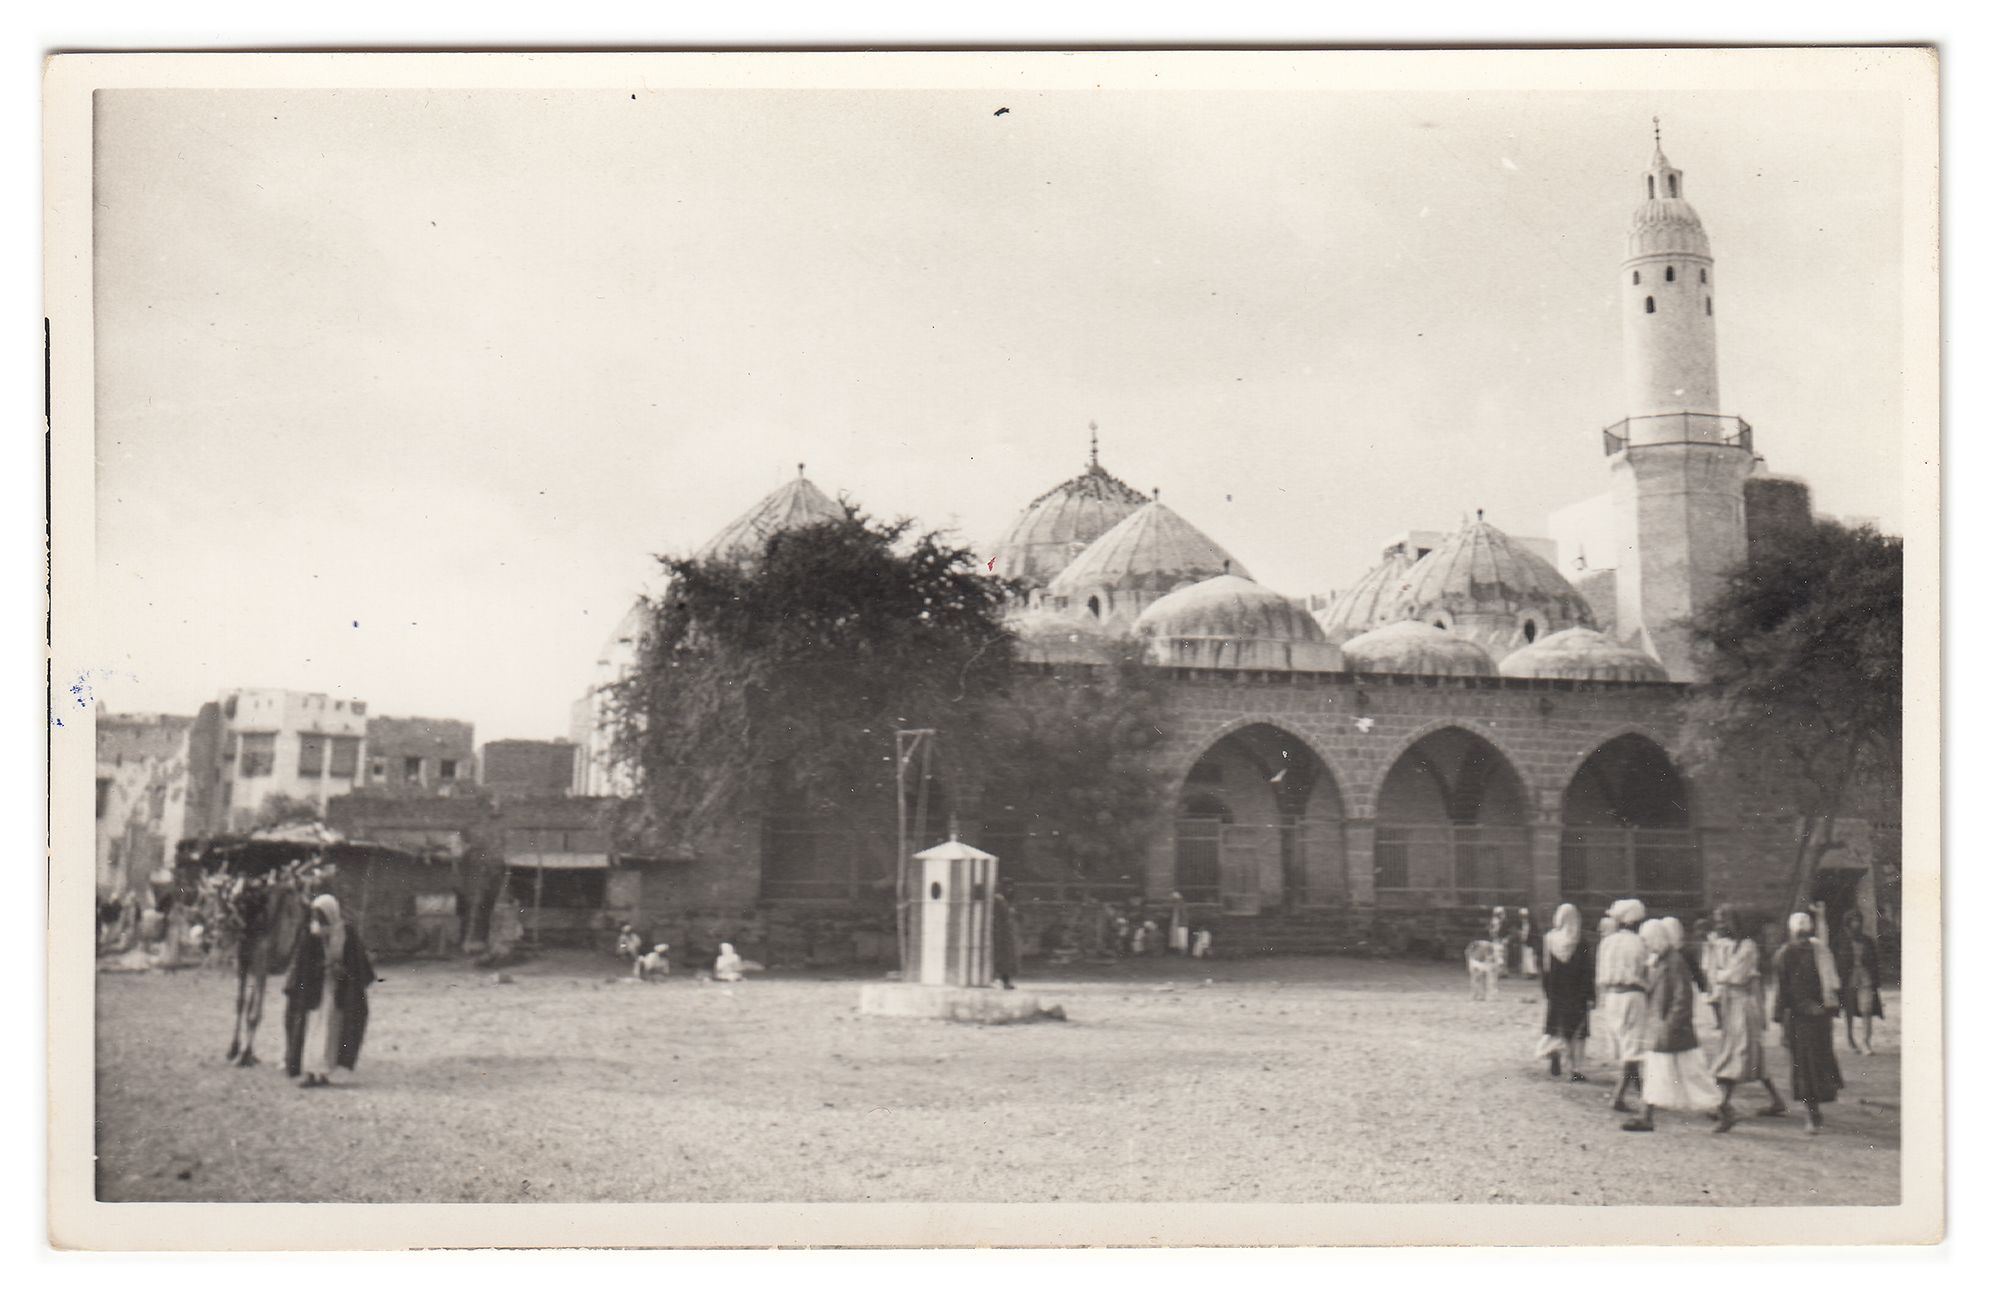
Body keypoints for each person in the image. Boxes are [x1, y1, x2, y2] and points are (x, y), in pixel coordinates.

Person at [1622, 918, 1723, 1132]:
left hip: (1672, 1029)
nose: (1645, 945)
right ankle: (1647, 1115)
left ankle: (1647, 1116)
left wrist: (1671, 1024)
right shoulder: (1664, 961)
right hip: (1667, 1028)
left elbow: (1682, 997)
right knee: (1669, 1071)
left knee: (1689, 1074)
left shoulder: (1674, 962)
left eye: (1646, 940)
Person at [1709, 905, 1786, 1131]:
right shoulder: (1725, 946)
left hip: (1744, 1005)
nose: (1720, 926)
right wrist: (1720, 976)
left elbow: (1736, 976)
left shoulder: (1748, 947)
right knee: (1750, 1055)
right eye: (1718, 921)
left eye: (1725, 921)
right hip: (1730, 1004)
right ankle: (1776, 1100)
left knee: (1738, 1052)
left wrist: (1720, 975)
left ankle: (1723, 1105)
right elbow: (1714, 973)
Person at [289, 894, 377, 1088]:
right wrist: (321, 967)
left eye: (322, 916)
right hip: (315, 992)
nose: (318, 920)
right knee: (313, 1029)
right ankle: (310, 1072)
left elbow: (357, 964)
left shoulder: (346, 933)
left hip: (337, 991)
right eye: (316, 915)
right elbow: (303, 965)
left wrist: (343, 971)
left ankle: (323, 1073)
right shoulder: (311, 934)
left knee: (331, 1031)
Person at [1773, 911, 1844, 1135]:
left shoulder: (1819, 951)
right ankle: (1812, 1113)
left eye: (1805, 934)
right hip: (1802, 1018)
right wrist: (1781, 1021)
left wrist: (1829, 1007)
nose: (1803, 939)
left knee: (1816, 1064)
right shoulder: (1787, 954)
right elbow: (1783, 990)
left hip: (1817, 1018)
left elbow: (1831, 981)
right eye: (1800, 934)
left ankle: (1815, 1111)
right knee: (1806, 1066)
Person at [1596, 899, 1651, 1114]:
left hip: (1612, 996)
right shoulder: (1640, 943)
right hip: (1633, 995)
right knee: (1633, 1046)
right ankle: (1618, 1095)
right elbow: (1647, 971)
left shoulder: (1607, 942)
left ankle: (1642, 1090)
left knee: (1626, 1044)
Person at [1538, 903, 1593, 1081]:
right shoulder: (1581, 941)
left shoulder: (1549, 939)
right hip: (1577, 991)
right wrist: (1590, 994)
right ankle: (1575, 1069)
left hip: (1557, 990)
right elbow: (1587, 970)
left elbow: (1546, 968)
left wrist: (1547, 990)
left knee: (1557, 1025)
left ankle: (1555, 1054)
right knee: (1577, 1031)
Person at [1837, 910, 1885, 1055]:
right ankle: (1850, 1040)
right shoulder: (1841, 941)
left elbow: (1875, 962)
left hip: (1865, 979)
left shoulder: (1867, 941)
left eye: (1858, 920)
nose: (1856, 923)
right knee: (1849, 1010)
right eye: (1853, 921)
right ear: (1848, 923)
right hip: (1849, 980)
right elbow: (1837, 963)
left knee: (1866, 1009)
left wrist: (1876, 980)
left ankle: (1866, 1042)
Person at [1517, 908, 1539, 978]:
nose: (1522, 917)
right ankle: (1528, 971)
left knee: (1530, 957)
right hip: (1525, 942)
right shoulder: (1522, 923)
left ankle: (1532, 972)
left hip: (1530, 942)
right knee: (1526, 957)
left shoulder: (1531, 924)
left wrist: (1534, 942)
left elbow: (1534, 934)